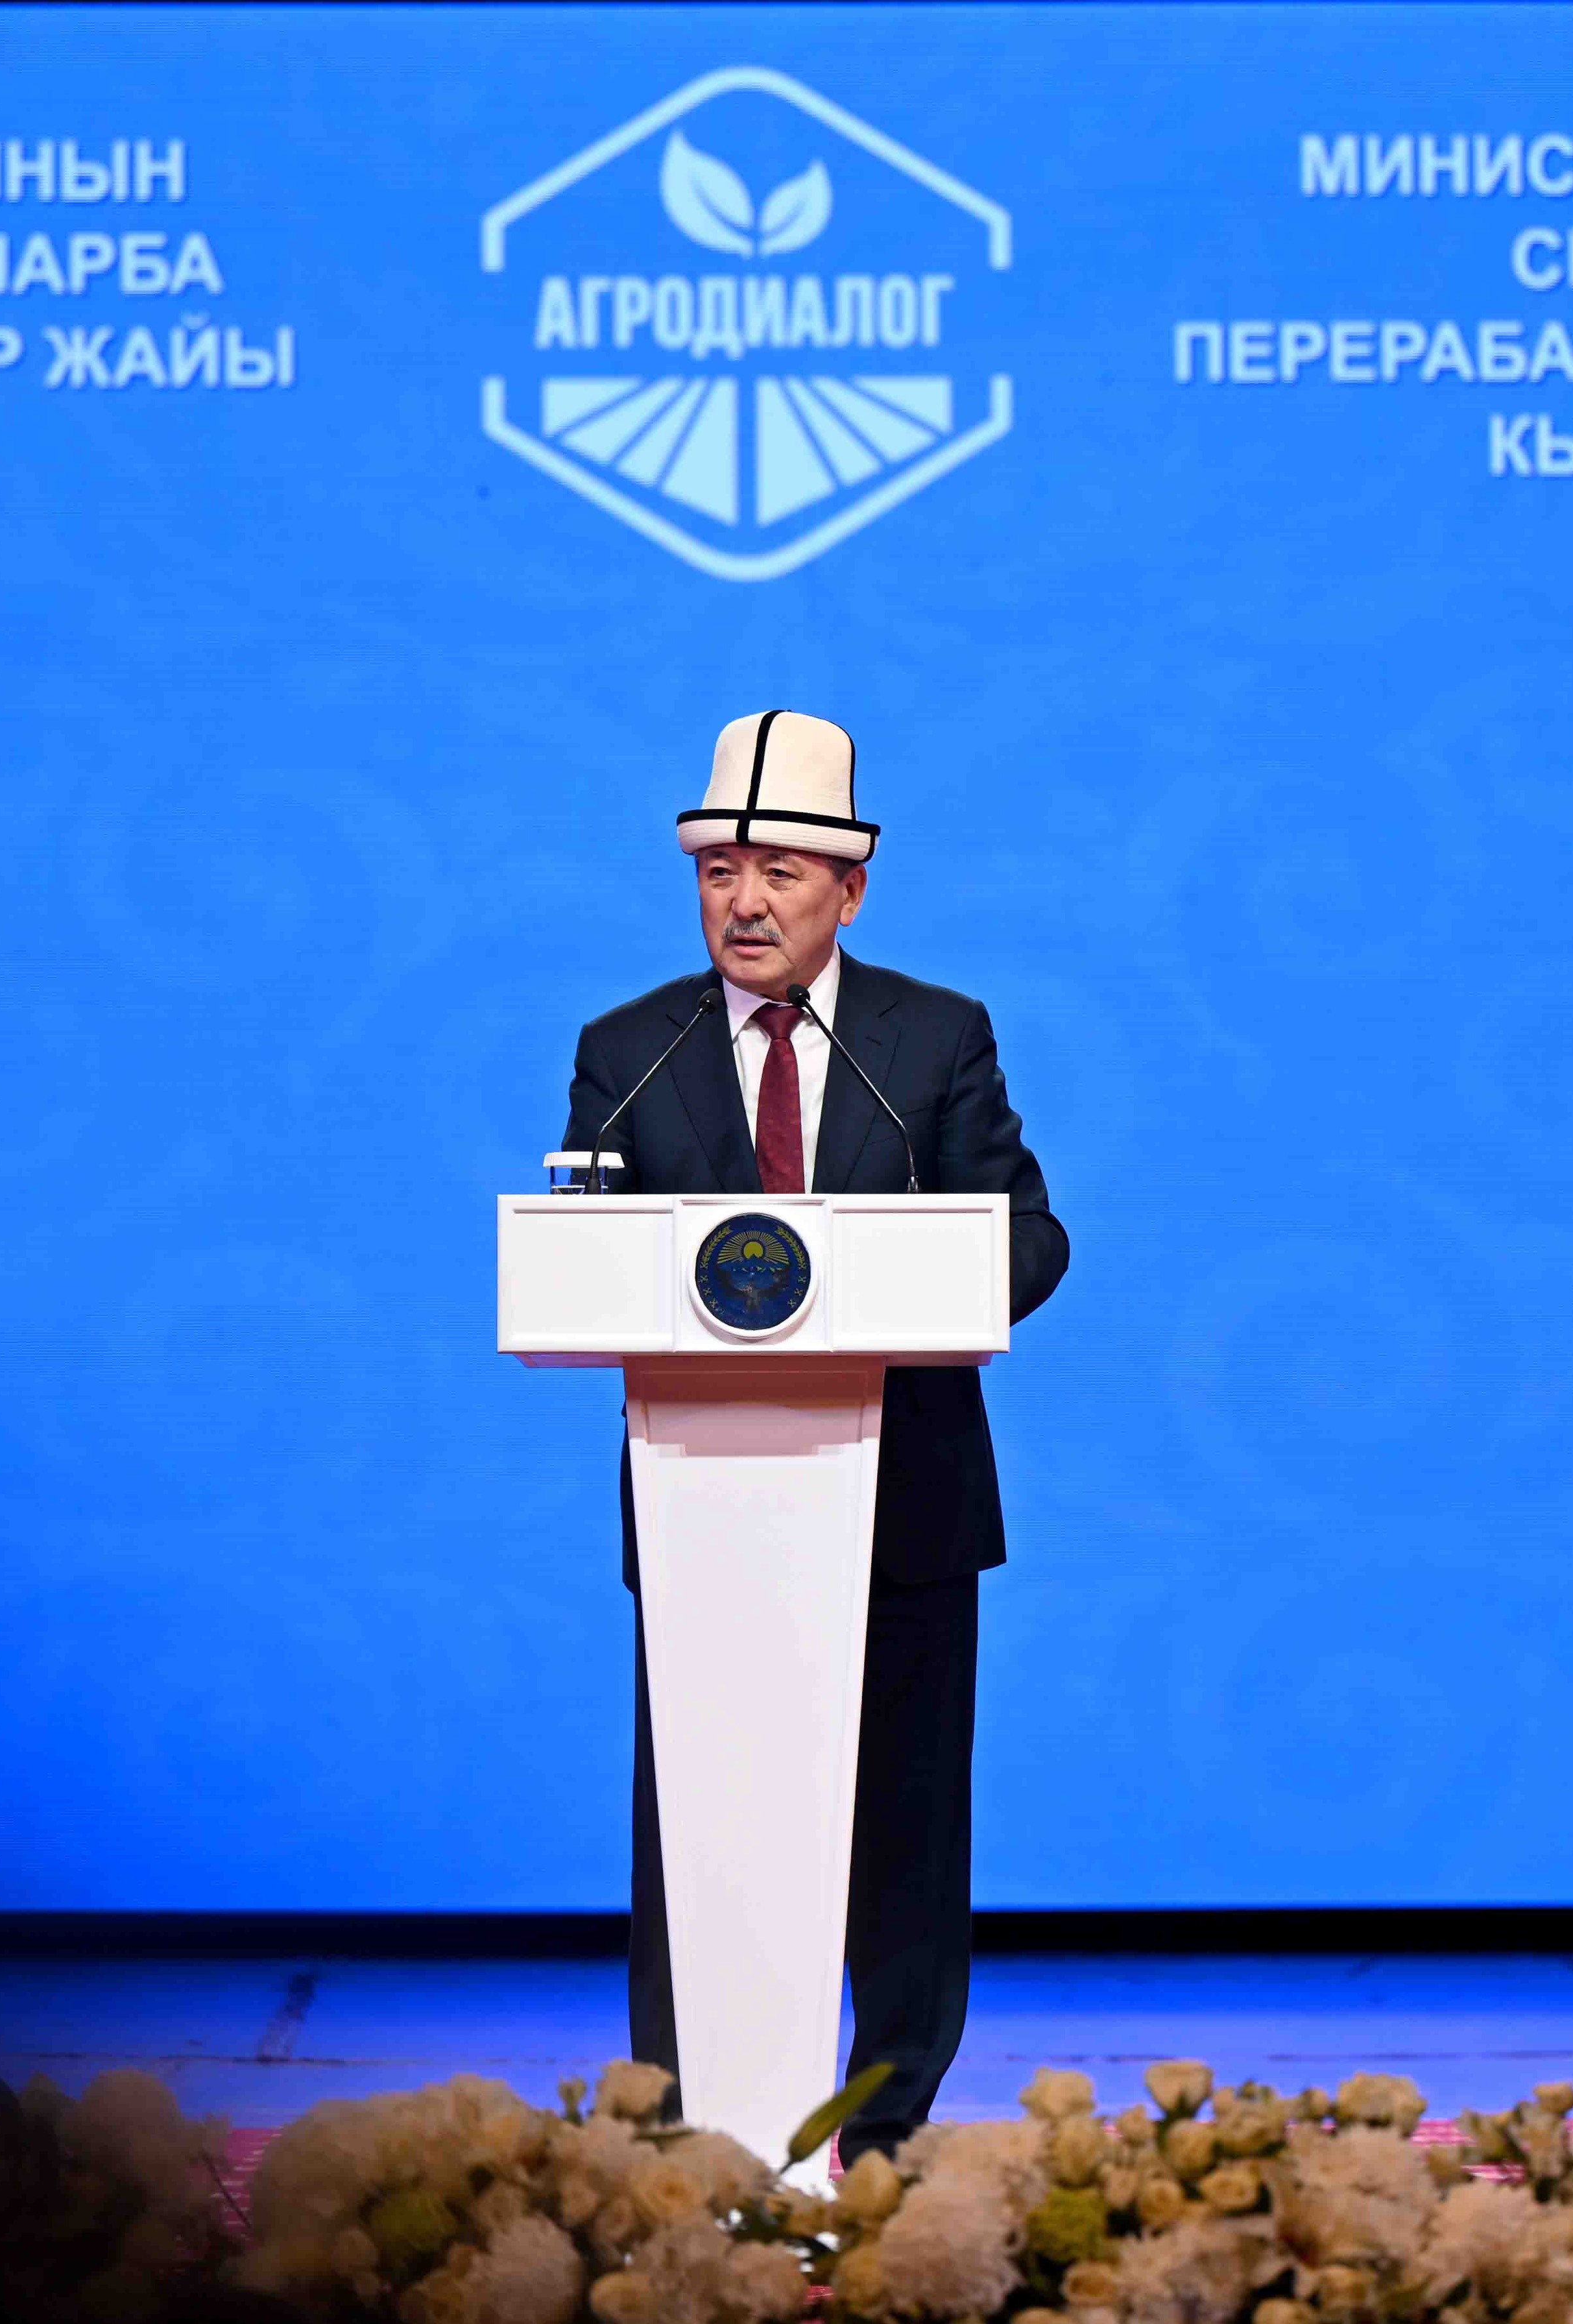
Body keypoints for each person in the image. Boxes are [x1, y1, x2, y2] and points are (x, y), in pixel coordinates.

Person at [560, 708, 1070, 2164]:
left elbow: (1031, 1239)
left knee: (903, 1838)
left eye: (779, 871)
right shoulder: (629, 1050)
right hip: (705, 1512)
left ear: (850, 890)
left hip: (903, 1502)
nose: (744, 900)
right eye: (718, 870)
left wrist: (887, 1277)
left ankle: (886, 2132)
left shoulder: (935, 1036)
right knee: (700, 1834)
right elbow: (585, 1254)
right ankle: (691, 2130)